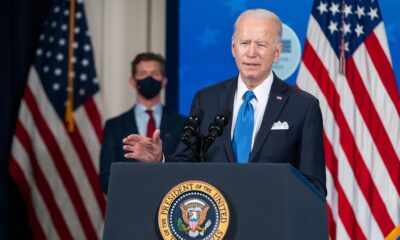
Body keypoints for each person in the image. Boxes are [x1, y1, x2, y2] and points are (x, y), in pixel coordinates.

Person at [122, 9, 327, 196]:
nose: (251, 52)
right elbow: (186, 163)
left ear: (277, 52)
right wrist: (161, 159)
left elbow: (313, 183)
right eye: (245, 43)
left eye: (261, 44)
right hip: (216, 225)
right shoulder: (206, 99)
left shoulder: (303, 106)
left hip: (274, 223)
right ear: (233, 47)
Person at [100, 52, 187, 193]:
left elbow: (187, 169)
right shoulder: (114, 126)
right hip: (129, 206)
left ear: (164, 81)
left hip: (170, 204)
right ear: (133, 81)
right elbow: (106, 178)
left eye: (154, 73)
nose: (149, 78)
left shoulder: (182, 123)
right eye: (142, 74)